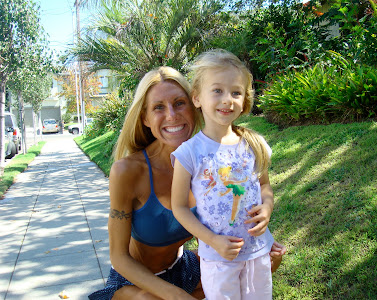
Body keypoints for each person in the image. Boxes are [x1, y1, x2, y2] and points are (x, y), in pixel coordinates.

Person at [88, 65, 286, 300]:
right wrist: (174, 296)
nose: (171, 115)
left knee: (268, 258)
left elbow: (240, 202)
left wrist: (259, 237)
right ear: (145, 118)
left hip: (186, 270)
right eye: (158, 107)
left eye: (179, 103)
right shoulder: (128, 171)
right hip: (135, 283)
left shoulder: (206, 161)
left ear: (195, 106)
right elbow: (119, 257)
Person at [171, 49, 279, 300]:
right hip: (218, 258)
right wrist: (212, 240)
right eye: (217, 90)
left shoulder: (253, 144)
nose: (227, 99)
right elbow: (179, 208)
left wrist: (268, 208)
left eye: (236, 92)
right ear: (197, 98)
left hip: (257, 251)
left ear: (245, 100)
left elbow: (265, 187)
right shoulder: (188, 153)